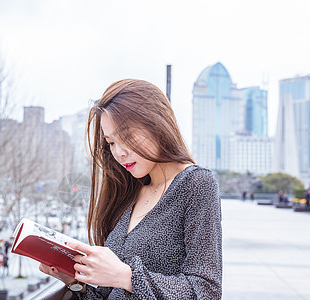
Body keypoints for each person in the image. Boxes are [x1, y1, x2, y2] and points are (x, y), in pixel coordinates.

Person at [38, 79, 222, 299]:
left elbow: (206, 291)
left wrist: (126, 276)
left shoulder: (196, 184)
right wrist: (75, 281)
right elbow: (109, 294)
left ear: (157, 124)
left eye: (127, 136)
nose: (119, 152)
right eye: (111, 142)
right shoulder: (130, 192)